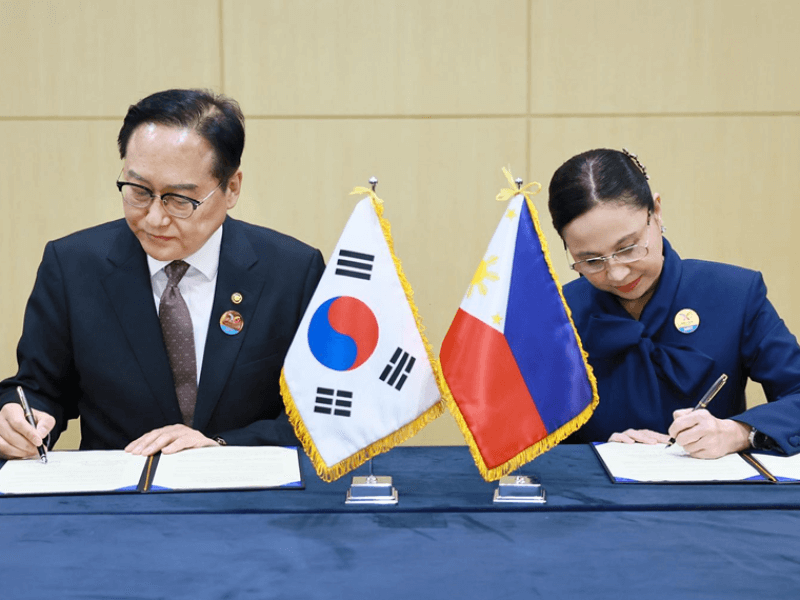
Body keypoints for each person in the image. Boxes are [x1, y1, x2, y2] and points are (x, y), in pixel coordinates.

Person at [0, 89, 324, 460]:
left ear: (231, 188)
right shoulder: (73, 265)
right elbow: (38, 389)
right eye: (139, 191)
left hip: (247, 489)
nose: (155, 218)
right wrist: (19, 419)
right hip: (116, 491)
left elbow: (320, 415)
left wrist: (221, 446)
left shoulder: (293, 272)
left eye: (179, 199)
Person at [548, 148, 800, 458]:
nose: (617, 273)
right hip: (596, 487)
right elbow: (528, 433)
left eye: (628, 248)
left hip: (719, 487)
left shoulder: (735, 294)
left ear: (656, 211)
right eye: (591, 261)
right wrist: (597, 450)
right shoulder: (558, 313)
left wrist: (738, 433)